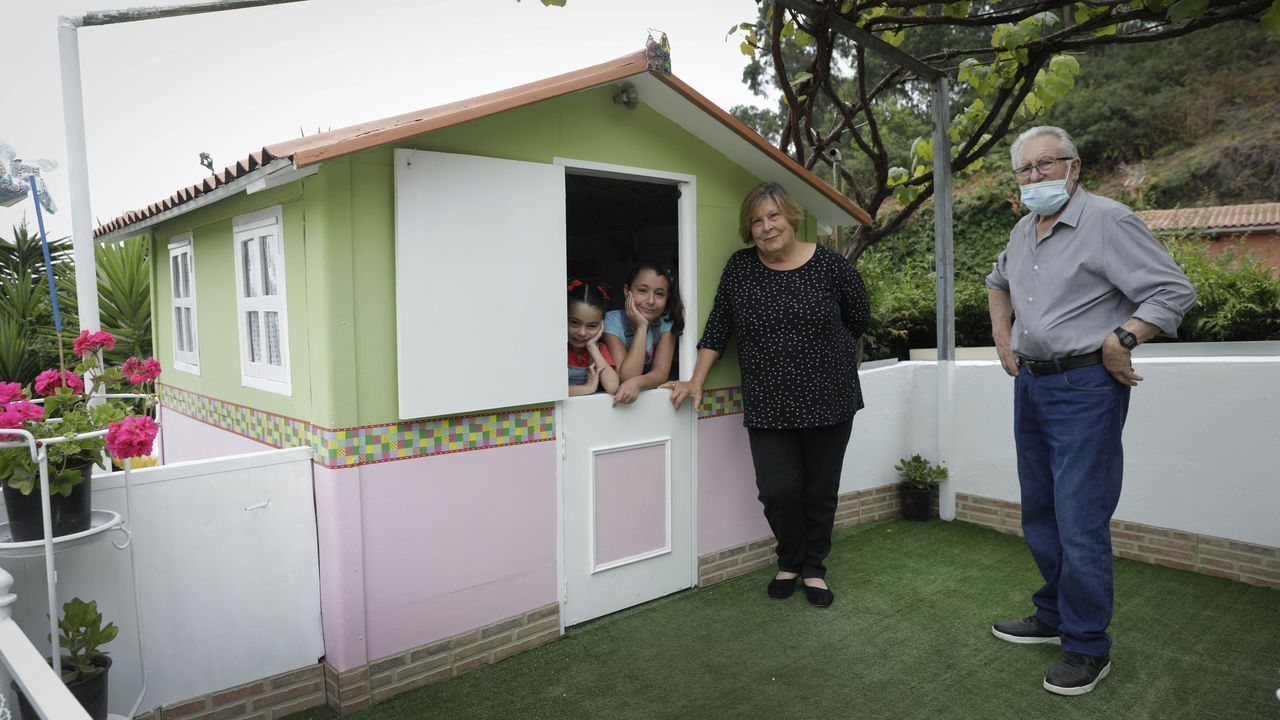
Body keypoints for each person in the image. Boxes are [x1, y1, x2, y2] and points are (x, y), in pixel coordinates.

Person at [986, 126, 1196, 696]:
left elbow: (1173, 290)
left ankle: (1086, 646)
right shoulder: (1024, 228)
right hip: (1031, 384)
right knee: (1041, 512)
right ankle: (1053, 614)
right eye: (1024, 170)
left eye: (1045, 165)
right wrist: (1004, 340)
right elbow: (997, 281)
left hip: (1085, 388)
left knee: (1080, 519)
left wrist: (1121, 338)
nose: (1034, 178)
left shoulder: (1109, 220)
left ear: (1074, 168)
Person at [664, 182, 870, 608]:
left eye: (773, 216)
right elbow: (718, 327)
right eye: (756, 221)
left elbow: (858, 319)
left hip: (830, 397)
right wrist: (695, 380)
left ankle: (812, 568)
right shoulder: (740, 268)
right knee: (776, 490)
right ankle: (789, 558)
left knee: (819, 491)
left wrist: (817, 356)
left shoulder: (832, 267)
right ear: (748, 229)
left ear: (791, 217)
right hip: (768, 402)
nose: (766, 227)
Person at [602, 261, 684, 406]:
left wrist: (638, 383)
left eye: (659, 294)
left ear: (667, 297)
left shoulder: (666, 322)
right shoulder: (612, 321)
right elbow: (627, 376)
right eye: (642, 290)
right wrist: (641, 327)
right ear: (627, 291)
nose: (651, 300)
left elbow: (660, 372)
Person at [566, 279, 620, 397]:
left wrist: (592, 347)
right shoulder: (557, 349)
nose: (582, 332)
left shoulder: (598, 349)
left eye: (592, 326)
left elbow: (612, 386)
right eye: (574, 322)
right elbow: (550, 391)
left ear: (601, 325)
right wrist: (587, 388)